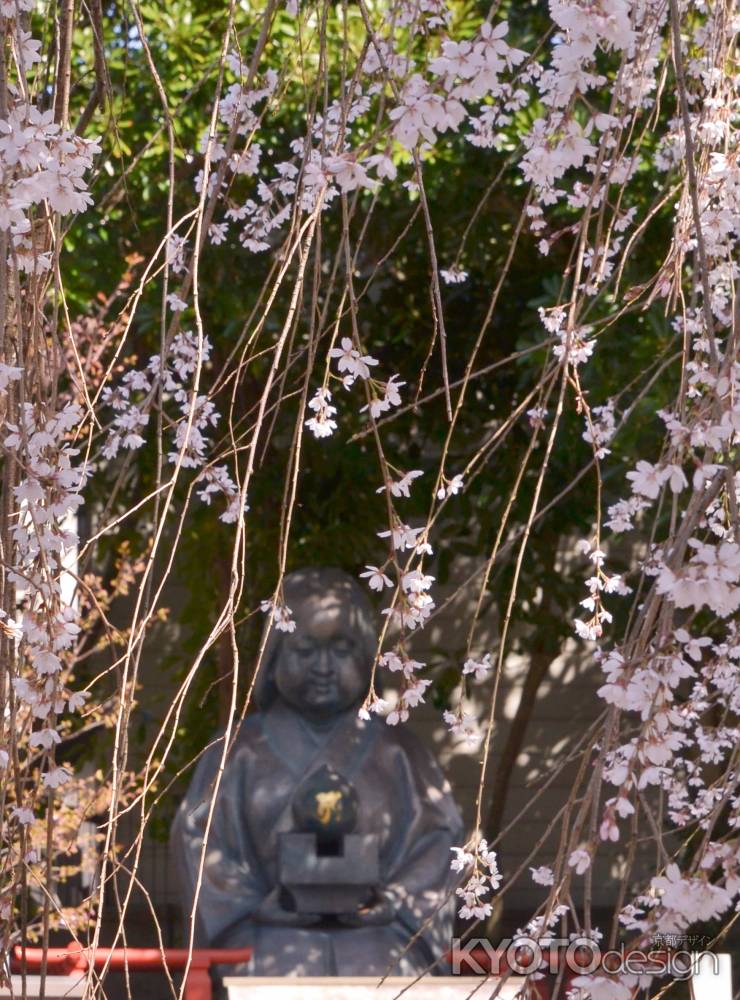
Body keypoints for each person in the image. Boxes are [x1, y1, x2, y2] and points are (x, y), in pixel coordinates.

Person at [171, 567, 462, 977]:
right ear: (274, 658)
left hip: (381, 941)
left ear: (365, 657)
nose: (323, 666)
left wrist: (394, 900)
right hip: (264, 938)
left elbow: (438, 838)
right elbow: (199, 838)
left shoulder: (398, 751)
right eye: (305, 650)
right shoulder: (237, 751)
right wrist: (254, 904)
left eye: (342, 649)